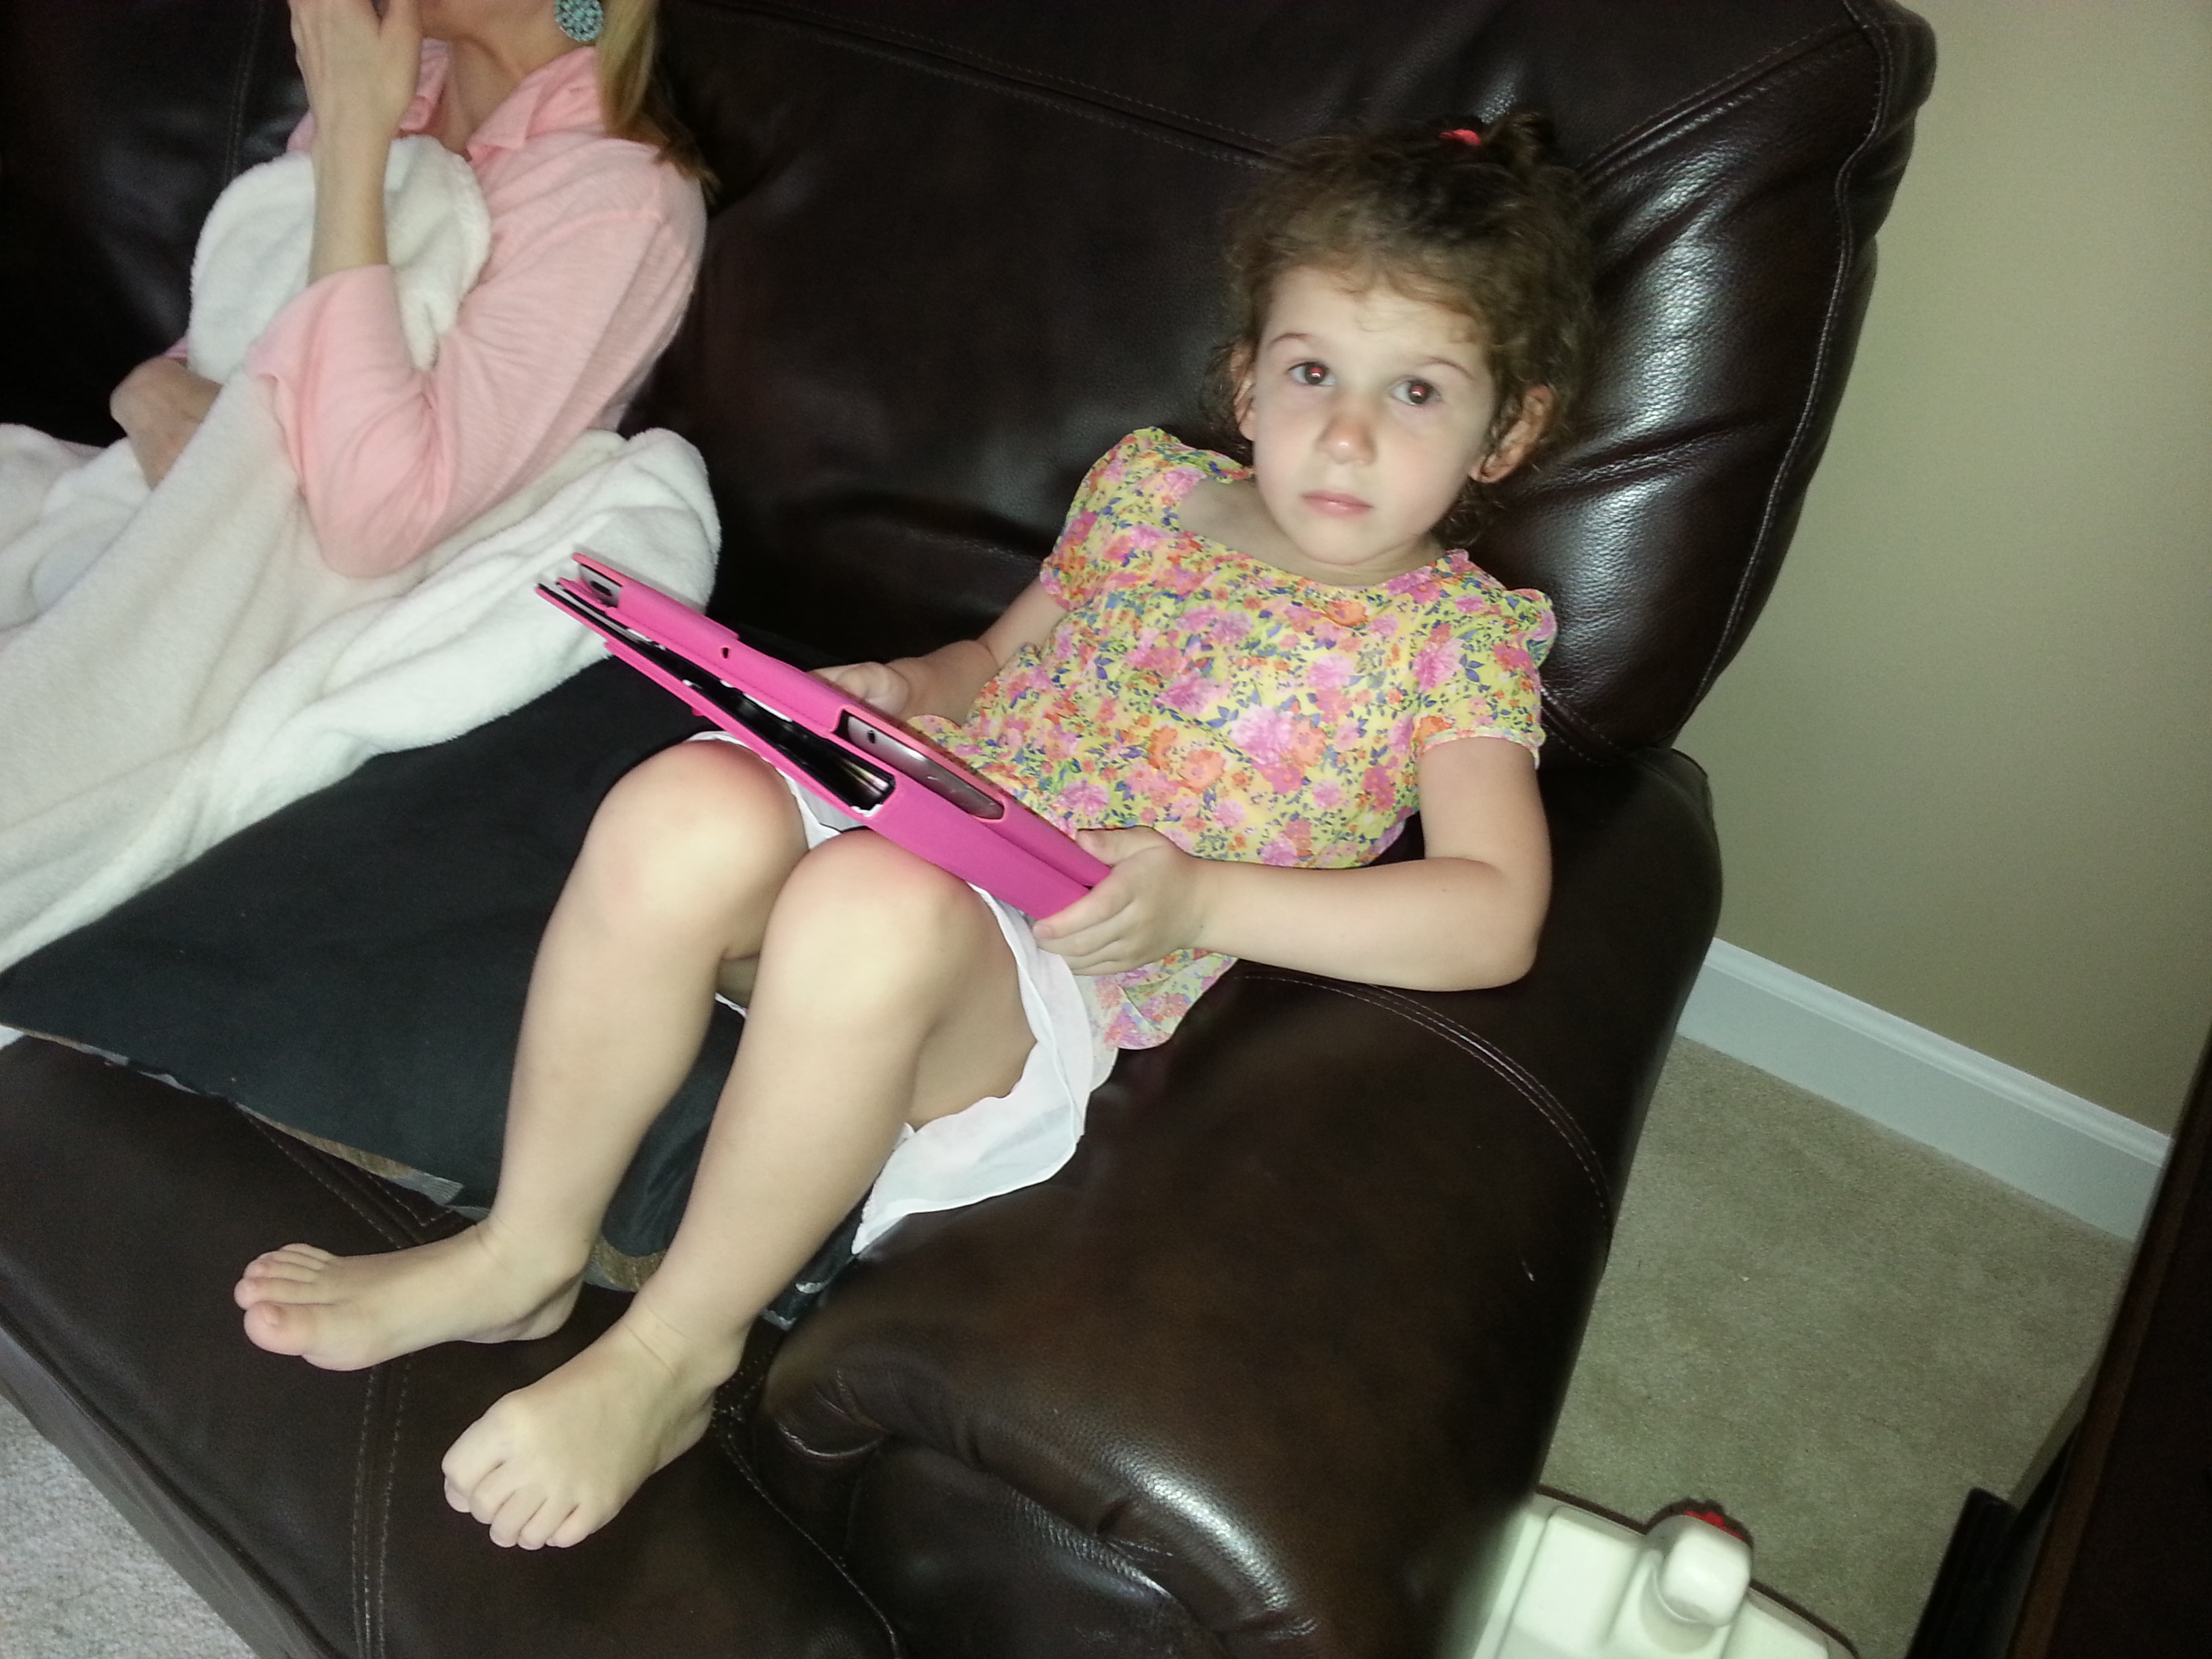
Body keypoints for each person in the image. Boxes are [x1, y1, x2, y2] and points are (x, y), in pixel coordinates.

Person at [232, 113, 1595, 1551]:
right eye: (1314, 371)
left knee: (865, 906)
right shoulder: (1147, 490)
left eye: (1418, 391)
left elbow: (1491, 913)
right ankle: (522, 1249)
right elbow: (999, 660)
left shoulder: (1452, 640)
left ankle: (674, 1353)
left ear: (1507, 432)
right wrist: (904, 690)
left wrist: (1201, 902)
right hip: (918, 810)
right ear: (1248, 378)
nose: (1349, 432)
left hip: (1042, 963)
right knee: (678, 805)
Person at [106, 0, 707, 577]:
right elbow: (239, 319)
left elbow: (378, 523)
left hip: (376, 593)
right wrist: (148, 388)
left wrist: (353, 146)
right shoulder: (398, 81)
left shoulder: (617, 199)